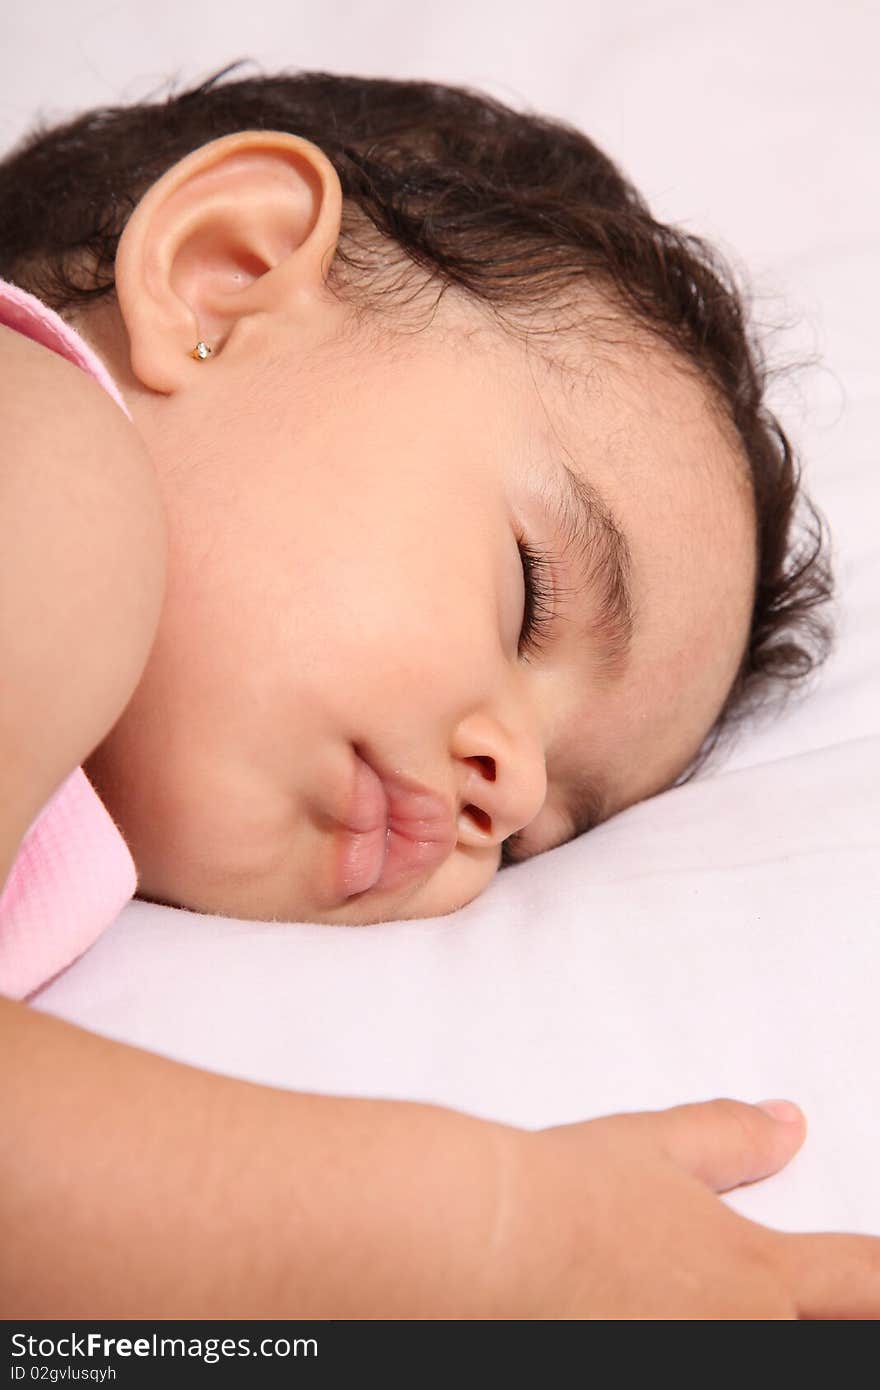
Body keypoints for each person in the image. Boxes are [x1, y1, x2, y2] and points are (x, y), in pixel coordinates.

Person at [2, 63, 876, 1319]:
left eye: (537, 838)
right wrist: (494, 1234)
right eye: (528, 594)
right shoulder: (45, 457)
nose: (508, 783)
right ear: (225, 276)